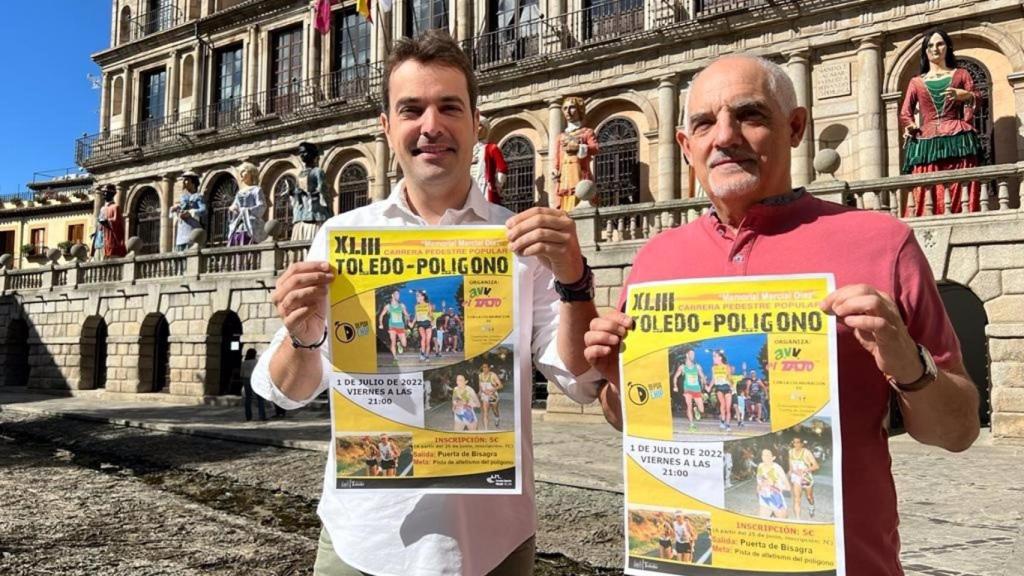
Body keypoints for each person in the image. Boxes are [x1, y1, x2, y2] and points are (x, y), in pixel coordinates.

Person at [580, 54, 980, 575]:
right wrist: (619, 382)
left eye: (749, 115)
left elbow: (958, 432)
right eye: (704, 123)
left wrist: (909, 363)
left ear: (795, 127)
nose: (724, 137)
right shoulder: (656, 258)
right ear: (686, 147)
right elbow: (624, 417)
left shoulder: (882, 243)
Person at [251, 30, 601, 575]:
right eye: (411, 109)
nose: (431, 126)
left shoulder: (523, 241)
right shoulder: (342, 236)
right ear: (387, 127)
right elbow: (288, 392)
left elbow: (579, 382)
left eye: (448, 107)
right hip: (363, 542)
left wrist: (575, 282)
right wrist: (301, 332)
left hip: (492, 545)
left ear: (475, 122)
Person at [900, 29, 981, 216]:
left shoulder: (961, 74)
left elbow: (977, 100)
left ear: (948, 47)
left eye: (940, 44)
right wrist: (911, 125)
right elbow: (905, 113)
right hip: (926, 140)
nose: (935, 49)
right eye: (930, 45)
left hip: (958, 136)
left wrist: (966, 95)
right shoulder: (916, 82)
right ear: (925, 51)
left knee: (961, 185)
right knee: (927, 186)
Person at [551, 96, 599, 212]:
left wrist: (579, 147)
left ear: (579, 110)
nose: (568, 111)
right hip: (564, 175)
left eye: (572, 108)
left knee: (580, 194)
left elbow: (596, 148)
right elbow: (557, 156)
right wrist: (555, 169)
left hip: (579, 172)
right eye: (565, 108)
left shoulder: (587, 132)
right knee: (565, 200)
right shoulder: (561, 136)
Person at [289, 141, 333, 241]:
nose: (302, 155)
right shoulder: (300, 173)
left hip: (314, 215)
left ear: (312, 153)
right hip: (300, 216)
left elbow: (323, 192)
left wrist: (307, 194)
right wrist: (292, 192)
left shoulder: (318, 171)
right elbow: (297, 191)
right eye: (300, 153)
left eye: (304, 152)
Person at [470, 115, 508, 205]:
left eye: (479, 125)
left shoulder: (491, 148)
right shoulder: (466, 149)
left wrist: (498, 185)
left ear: (485, 129)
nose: (476, 128)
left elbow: (501, 168)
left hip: (484, 186)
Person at [227, 162, 267, 246]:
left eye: (243, 171)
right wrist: (232, 209)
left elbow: (262, 206)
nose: (241, 174)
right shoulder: (239, 192)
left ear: (251, 173)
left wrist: (248, 210)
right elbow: (235, 206)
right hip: (239, 222)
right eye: (240, 172)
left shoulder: (256, 190)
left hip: (251, 221)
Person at [672, 348, 707, 432]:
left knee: (702, 409)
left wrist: (704, 382)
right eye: (691, 354)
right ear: (687, 355)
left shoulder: (697, 366)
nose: (693, 356)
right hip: (687, 389)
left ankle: (697, 410)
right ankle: (691, 424)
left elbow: (702, 376)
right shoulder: (682, 367)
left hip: (696, 389)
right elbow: (675, 377)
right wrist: (675, 386)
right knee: (689, 406)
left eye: (693, 354)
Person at [170, 171, 206, 251]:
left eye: (186, 179)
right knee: (180, 253)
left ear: (193, 182)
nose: (184, 182)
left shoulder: (198, 197)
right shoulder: (183, 197)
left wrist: (190, 212)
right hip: (181, 231)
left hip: (192, 229)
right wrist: (175, 209)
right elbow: (180, 209)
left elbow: (203, 210)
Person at [788, 436, 820, 519]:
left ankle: (811, 506)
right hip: (796, 478)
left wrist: (805, 470)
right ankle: (798, 520)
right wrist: (790, 473)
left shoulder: (806, 452)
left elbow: (816, 466)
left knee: (809, 497)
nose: (796, 444)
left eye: (798, 442)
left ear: (802, 444)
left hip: (806, 477)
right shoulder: (790, 452)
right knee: (797, 499)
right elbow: (791, 468)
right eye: (794, 442)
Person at [756, 449, 790, 519]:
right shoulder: (760, 466)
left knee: (782, 524)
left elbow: (788, 487)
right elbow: (759, 482)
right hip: (764, 498)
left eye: (767, 455)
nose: (764, 457)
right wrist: (758, 488)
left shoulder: (777, 468)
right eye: (763, 455)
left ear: (773, 457)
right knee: (762, 524)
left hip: (776, 499)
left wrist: (775, 484)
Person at [377, 290, 410, 359]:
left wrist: (408, 318)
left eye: (399, 294)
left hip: (400, 326)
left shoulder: (402, 305)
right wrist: (381, 324)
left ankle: (399, 344)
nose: (398, 296)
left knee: (404, 344)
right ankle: (395, 357)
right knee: (393, 342)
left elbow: (406, 314)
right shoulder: (388, 306)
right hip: (392, 326)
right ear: (392, 295)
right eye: (396, 294)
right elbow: (381, 315)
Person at [98, 184, 126, 258]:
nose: (104, 193)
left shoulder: (115, 207)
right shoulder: (102, 209)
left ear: (112, 194)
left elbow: (117, 221)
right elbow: (99, 223)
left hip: (111, 236)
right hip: (103, 236)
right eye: (103, 192)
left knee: (111, 253)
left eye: (106, 192)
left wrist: (107, 221)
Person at [710, 350, 734, 431]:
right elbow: (713, 379)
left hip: (727, 387)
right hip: (719, 387)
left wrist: (731, 384)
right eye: (713, 357)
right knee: (722, 404)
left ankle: (727, 424)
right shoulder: (713, 368)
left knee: (728, 407)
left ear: (720, 358)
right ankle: (723, 421)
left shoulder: (727, 366)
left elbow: (730, 378)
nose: (713, 358)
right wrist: (709, 387)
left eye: (715, 356)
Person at [240, 348, 266, 421]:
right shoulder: (257, 362)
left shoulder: (244, 363)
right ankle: (262, 416)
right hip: (256, 379)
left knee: (248, 398)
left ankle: (248, 416)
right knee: (260, 398)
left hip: (246, 380)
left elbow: (241, 374)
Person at [478, 362, 504, 430]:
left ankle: (497, 419)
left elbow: (501, 385)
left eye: (486, 367)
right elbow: (480, 385)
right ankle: (486, 430)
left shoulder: (493, 375)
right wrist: (480, 391)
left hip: (493, 396)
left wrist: (492, 390)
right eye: (483, 367)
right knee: (485, 412)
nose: (484, 369)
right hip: (484, 396)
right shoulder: (480, 375)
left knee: (495, 410)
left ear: (489, 368)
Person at [413, 290, 435, 361]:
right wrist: (412, 323)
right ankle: (422, 353)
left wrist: (432, 319)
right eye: (416, 296)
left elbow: (431, 315)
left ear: (422, 297)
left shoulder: (428, 305)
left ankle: (427, 356)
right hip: (420, 324)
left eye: (418, 296)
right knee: (423, 338)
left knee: (428, 341)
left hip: (428, 323)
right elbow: (416, 316)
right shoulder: (416, 306)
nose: (417, 297)